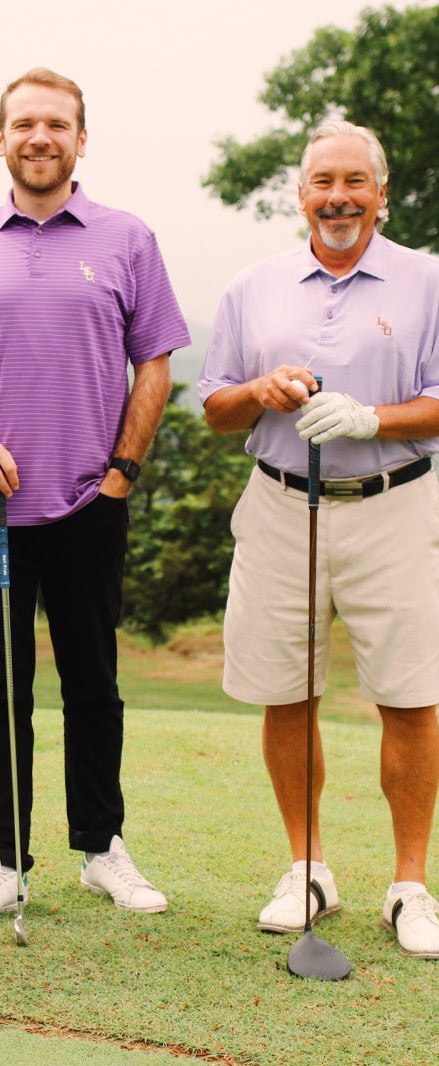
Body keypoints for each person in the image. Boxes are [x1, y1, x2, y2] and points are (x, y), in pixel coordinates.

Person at [0, 68, 190, 925]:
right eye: (24, 123)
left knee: (94, 683)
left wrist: (122, 472)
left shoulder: (128, 238)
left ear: (81, 140)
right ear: (1, 138)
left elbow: (157, 361)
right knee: (1, 689)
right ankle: (3, 859)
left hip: (89, 503)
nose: (40, 137)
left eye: (57, 124)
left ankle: (102, 849)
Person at [199, 121, 439, 959]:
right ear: (299, 194)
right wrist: (259, 391)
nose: (337, 197)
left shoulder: (427, 279)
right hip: (279, 503)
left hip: (395, 503)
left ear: (381, 193)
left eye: (353, 182)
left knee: (410, 696)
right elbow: (214, 407)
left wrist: (375, 417)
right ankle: (307, 868)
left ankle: (410, 884)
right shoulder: (253, 286)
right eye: (320, 183)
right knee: (286, 691)